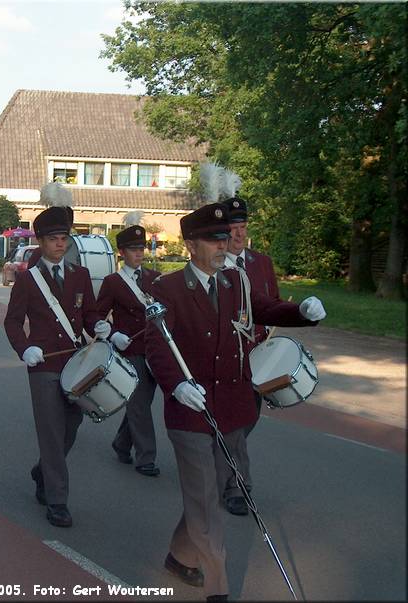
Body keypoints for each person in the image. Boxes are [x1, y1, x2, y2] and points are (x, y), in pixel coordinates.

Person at [144, 203, 327, 600]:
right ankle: (218, 587)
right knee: (207, 503)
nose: (223, 245)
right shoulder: (167, 288)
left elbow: (263, 308)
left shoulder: (235, 281)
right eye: (214, 239)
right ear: (190, 244)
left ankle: (179, 556)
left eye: (225, 237)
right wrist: (176, 386)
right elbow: (157, 346)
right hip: (191, 412)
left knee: (211, 488)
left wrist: (302, 312)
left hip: (233, 408)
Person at [4, 205, 108, 528]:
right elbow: (12, 322)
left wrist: (101, 327)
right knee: (51, 432)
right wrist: (25, 349)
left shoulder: (79, 275)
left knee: (71, 425)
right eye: (54, 239)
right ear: (41, 241)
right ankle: (58, 501)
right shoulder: (27, 279)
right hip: (43, 364)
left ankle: (42, 471)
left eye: (64, 238)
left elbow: (89, 313)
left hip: (75, 363)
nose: (61, 244)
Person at [220, 196, 281, 515]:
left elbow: (273, 303)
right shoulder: (212, 267)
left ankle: (219, 458)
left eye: (243, 227)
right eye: (233, 228)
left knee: (247, 420)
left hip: (258, 358)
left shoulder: (262, 263)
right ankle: (237, 487)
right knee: (236, 422)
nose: (239, 235)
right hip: (226, 359)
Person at [96, 221, 161, 476]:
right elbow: (97, 317)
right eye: (133, 249)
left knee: (141, 401)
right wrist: (113, 335)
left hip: (154, 349)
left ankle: (122, 442)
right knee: (140, 404)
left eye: (141, 248)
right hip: (129, 350)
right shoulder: (113, 282)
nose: (139, 253)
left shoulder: (154, 279)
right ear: (121, 252)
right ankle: (146, 458)